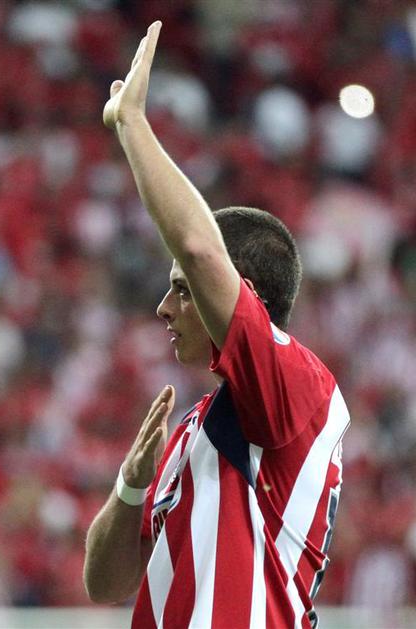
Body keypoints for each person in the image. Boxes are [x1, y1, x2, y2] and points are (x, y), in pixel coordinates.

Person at [83, 21, 350, 628]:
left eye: (181, 289)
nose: (163, 307)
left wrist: (133, 125)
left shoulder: (298, 385)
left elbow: (202, 250)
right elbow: (104, 584)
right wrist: (130, 487)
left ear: (238, 292)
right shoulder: (194, 431)